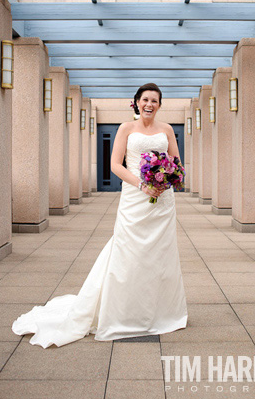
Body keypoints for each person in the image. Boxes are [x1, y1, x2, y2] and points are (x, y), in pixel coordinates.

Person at [12, 83, 188, 348]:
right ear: (136, 103)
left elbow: (176, 163)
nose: (149, 104)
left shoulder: (166, 130)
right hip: (135, 197)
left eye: (154, 100)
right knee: (129, 252)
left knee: (160, 253)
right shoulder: (126, 129)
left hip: (162, 200)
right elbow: (115, 164)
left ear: (160, 104)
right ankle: (124, 312)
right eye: (145, 100)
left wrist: (167, 180)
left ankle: (162, 312)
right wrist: (142, 184)